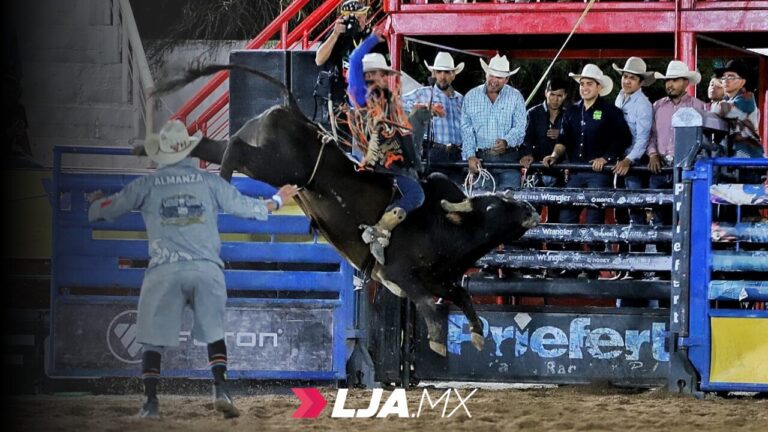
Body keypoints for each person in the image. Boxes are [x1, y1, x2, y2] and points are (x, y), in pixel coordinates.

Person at [87, 120, 299, 419]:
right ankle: (222, 389)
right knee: (214, 332)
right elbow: (246, 207)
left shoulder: (146, 185)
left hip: (164, 269)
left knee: (152, 337)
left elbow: (109, 209)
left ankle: (151, 402)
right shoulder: (209, 182)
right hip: (205, 269)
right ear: (188, 152)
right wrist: (277, 200)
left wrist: (96, 205)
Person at [347, 29, 424, 265]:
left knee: (415, 192)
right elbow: (353, 60)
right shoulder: (360, 94)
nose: (378, 78)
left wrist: (412, 162)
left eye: (380, 74)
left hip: (389, 165)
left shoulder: (388, 101)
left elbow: (404, 134)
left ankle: (383, 233)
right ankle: (379, 230)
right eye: (375, 74)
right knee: (415, 194)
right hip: (372, 165)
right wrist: (372, 39)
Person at [543, 64, 631, 225]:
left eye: (589, 84)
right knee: (566, 217)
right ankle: (571, 250)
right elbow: (563, 139)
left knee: (594, 219)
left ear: (599, 87)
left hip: (599, 173)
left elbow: (624, 138)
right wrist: (554, 156)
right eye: (582, 84)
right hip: (576, 171)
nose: (584, 87)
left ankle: (594, 250)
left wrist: (605, 158)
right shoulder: (571, 111)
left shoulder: (611, 111)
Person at [461, 54, 527, 192]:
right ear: (486, 73)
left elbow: (520, 128)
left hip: (509, 159)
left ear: (507, 79)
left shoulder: (516, 97)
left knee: (510, 205)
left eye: (499, 77)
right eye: (492, 75)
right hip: (481, 159)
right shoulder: (470, 96)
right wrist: (470, 156)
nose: (494, 80)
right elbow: (466, 130)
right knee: (482, 204)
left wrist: (507, 141)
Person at [646, 60, 707, 198]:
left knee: (684, 211)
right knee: (658, 213)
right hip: (660, 167)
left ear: (686, 82)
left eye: (674, 80)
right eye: (667, 81)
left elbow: (703, 139)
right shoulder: (657, 106)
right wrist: (652, 154)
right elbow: (651, 134)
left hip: (686, 167)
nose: (669, 85)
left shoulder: (699, 107)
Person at [402, 51, 465, 183]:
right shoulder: (423, 94)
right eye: (439, 72)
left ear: (453, 75)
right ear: (433, 74)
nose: (442, 76)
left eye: (447, 72)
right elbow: (396, 102)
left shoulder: (461, 99)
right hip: (434, 152)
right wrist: (423, 106)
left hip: (457, 155)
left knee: (457, 194)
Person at [313, 0, 378, 126]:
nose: (363, 21)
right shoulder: (339, 36)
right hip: (341, 98)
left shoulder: (369, 36)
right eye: (359, 18)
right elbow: (319, 60)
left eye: (364, 17)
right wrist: (335, 34)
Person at [520, 76, 568, 190]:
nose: (555, 100)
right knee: (530, 205)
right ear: (546, 92)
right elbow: (524, 140)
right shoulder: (533, 114)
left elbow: (575, 140)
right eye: (552, 94)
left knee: (558, 207)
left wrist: (561, 134)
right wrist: (527, 154)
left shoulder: (568, 116)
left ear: (565, 96)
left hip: (560, 170)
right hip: (535, 169)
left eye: (559, 96)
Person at [710, 59, 763, 159]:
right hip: (733, 158)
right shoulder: (726, 99)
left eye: (731, 77)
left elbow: (722, 109)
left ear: (742, 82)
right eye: (724, 77)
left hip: (748, 158)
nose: (726, 80)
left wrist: (713, 105)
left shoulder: (747, 98)